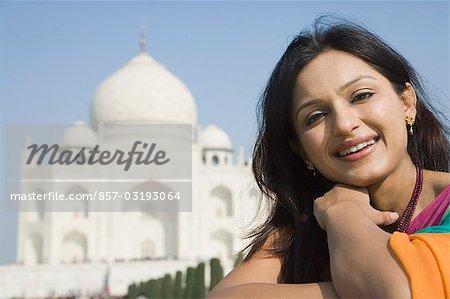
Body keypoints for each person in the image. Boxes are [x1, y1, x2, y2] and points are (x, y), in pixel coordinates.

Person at [208, 16, 450, 299]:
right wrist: (363, 285)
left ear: (407, 102)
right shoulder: (303, 231)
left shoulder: (331, 215)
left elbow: (397, 292)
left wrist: (343, 214)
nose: (344, 124)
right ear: (300, 148)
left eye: (361, 96)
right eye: (316, 116)